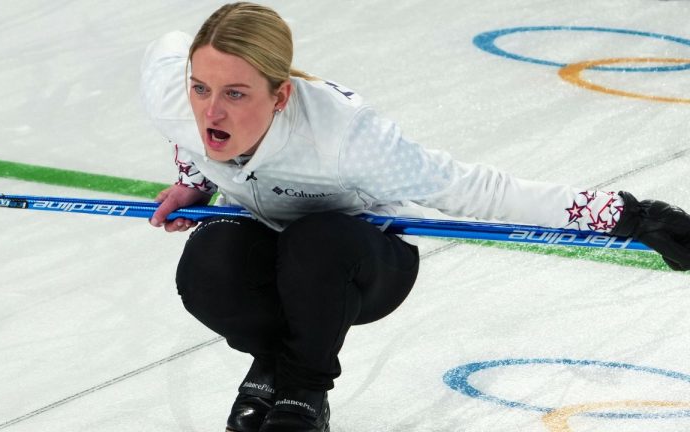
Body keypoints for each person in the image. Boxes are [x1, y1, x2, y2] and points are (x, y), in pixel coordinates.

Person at [140, 3, 690, 431]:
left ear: (281, 95)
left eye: (235, 93)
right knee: (210, 258)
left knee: (319, 241)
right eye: (201, 87)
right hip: (272, 245)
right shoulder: (177, 99)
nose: (211, 109)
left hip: (363, 264)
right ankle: (272, 361)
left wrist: (634, 216)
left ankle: (302, 388)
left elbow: (475, 190)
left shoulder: (348, 139)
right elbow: (174, 78)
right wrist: (195, 181)